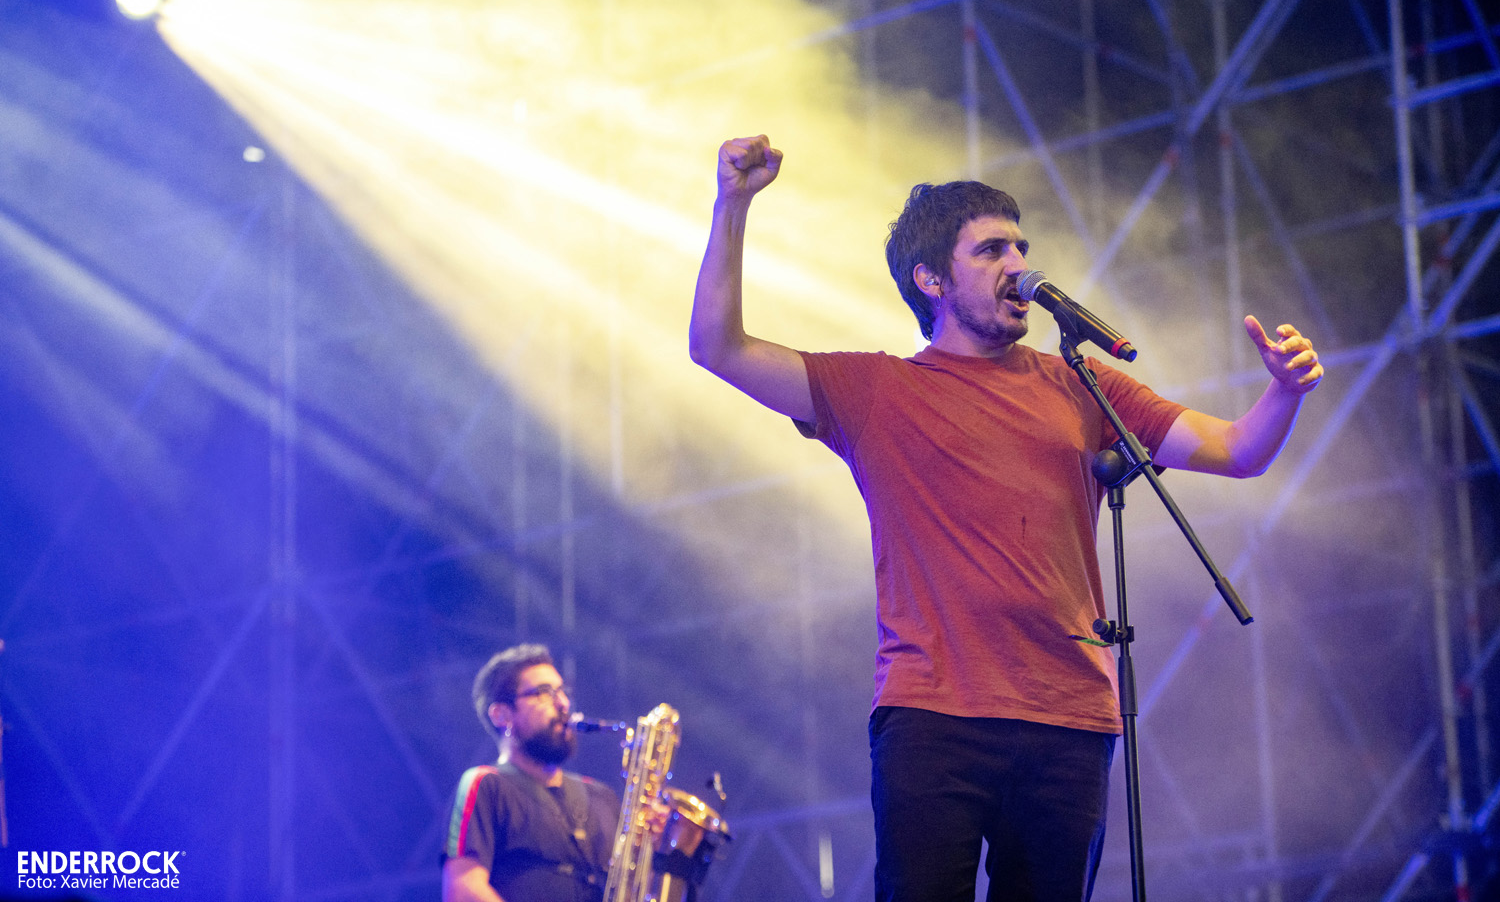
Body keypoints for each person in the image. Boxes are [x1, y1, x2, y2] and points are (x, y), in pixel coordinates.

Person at [688, 135, 1324, 901]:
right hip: (933, 715)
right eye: (991, 250)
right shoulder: (875, 392)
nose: (1018, 264)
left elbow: (1237, 450)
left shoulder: (1080, 383)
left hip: (1069, 717)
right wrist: (733, 205)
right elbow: (717, 348)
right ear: (931, 280)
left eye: (1021, 247)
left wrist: (1284, 392)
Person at [442, 644, 620, 902]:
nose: (563, 703)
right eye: (544, 693)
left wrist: (664, 846)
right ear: (501, 715)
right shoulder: (486, 784)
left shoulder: (602, 796)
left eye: (562, 691)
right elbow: (463, 890)